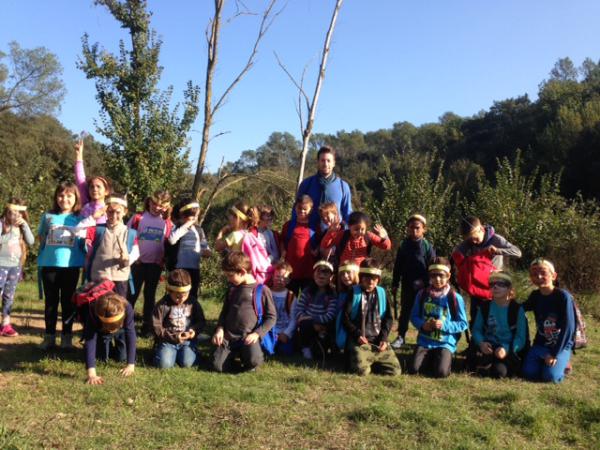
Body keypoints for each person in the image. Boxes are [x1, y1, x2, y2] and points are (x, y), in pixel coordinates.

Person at [38, 182, 94, 349]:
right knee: (51, 303)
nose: (64, 199)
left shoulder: (80, 219)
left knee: (68, 303)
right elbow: (42, 237)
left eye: (69, 196)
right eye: (61, 195)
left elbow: (84, 242)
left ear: (76, 198)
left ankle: (66, 338)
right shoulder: (48, 216)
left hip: (71, 266)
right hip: (49, 265)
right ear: (56, 197)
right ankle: (49, 337)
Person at [212, 251, 276, 373]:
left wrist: (257, 334)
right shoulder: (232, 289)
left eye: (230, 276)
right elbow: (224, 312)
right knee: (217, 366)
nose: (228, 279)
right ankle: (233, 356)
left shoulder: (262, 290)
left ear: (242, 272)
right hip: (229, 337)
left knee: (253, 361)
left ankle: (248, 356)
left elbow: (271, 317)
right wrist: (220, 329)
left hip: (248, 337)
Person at [451, 216, 521, 326]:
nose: (473, 242)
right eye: (470, 239)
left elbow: (517, 252)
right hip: (477, 287)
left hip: (495, 286)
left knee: (496, 320)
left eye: (475, 238)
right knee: (476, 319)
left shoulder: (496, 239)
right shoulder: (469, 242)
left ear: (481, 229)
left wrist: (498, 250)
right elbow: (456, 253)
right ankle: (476, 335)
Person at [409, 257, 468, 378]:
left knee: (441, 373)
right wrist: (422, 325)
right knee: (414, 369)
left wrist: (444, 325)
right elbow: (414, 316)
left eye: (441, 275)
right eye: (433, 275)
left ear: (448, 276)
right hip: (425, 341)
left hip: (445, 342)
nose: (437, 279)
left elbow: (463, 324)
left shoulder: (455, 297)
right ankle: (432, 357)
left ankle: (442, 357)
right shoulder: (422, 294)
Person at [341, 258, 400, 376]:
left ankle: (372, 360)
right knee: (362, 371)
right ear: (361, 277)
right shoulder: (354, 292)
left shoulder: (382, 293)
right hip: (359, 341)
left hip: (378, 341)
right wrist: (357, 334)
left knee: (395, 371)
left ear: (378, 278)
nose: (371, 281)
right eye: (367, 277)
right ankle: (363, 360)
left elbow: (388, 319)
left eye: (374, 277)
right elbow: (345, 318)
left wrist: (384, 339)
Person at [522, 258, 576, 384]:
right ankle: (548, 362)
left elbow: (569, 328)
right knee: (529, 374)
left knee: (550, 377)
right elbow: (520, 308)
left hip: (560, 346)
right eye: (534, 274)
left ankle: (563, 363)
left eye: (543, 273)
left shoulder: (563, 297)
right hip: (541, 344)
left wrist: (554, 354)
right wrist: (502, 300)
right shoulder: (535, 296)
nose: (539, 276)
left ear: (553, 276)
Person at [127, 191, 173, 336]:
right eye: (154, 203)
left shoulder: (167, 222)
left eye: (161, 206)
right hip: (137, 264)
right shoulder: (138, 218)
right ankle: (125, 324)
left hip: (155, 265)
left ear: (166, 207)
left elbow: (168, 243)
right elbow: (127, 236)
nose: (156, 207)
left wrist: (164, 259)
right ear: (149, 201)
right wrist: (134, 257)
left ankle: (147, 326)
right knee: (131, 294)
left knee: (150, 295)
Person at [469, 271, 528, 378]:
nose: (495, 287)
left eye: (501, 284)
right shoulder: (485, 307)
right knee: (471, 366)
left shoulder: (517, 309)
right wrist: (481, 343)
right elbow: (476, 329)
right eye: (492, 284)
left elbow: (521, 337)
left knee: (499, 373)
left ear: (509, 288)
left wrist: (506, 349)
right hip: (488, 346)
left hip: (506, 347)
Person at [390, 214, 436, 349]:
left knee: (424, 312)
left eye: (417, 228)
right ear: (407, 229)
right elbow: (398, 266)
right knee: (405, 311)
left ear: (424, 229)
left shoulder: (427, 246)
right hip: (407, 285)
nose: (414, 231)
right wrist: (395, 283)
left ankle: (424, 337)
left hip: (424, 287)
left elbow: (432, 268)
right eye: (411, 228)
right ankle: (401, 336)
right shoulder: (404, 245)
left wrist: (425, 282)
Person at [85, 195, 139, 298]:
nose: (114, 216)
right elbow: (79, 232)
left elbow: (136, 253)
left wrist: (127, 259)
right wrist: (93, 217)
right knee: (98, 306)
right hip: (99, 278)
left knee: (117, 306)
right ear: (105, 211)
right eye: (110, 212)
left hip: (120, 279)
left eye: (118, 212)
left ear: (125, 212)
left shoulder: (131, 233)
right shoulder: (96, 230)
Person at [153, 269, 206, 369]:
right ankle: (163, 353)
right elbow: (156, 327)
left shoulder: (192, 302)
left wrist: (193, 331)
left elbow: (201, 321)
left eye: (185, 295)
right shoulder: (163, 304)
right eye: (177, 296)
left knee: (188, 363)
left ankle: (184, 354)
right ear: (169, 291)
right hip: (168, 341)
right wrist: (173, 337)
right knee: (164, 365)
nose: (181, 299)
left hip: (187, 341)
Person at [294, 145, 352, 230]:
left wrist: (345, 230)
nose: (325, 164)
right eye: (322, 160)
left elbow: (347, 214)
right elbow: (296, 210)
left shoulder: (343, 186)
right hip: (309, 233)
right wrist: (291, 232)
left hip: (334, 234)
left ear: (334, 163)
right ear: (318, 162)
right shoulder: (307, 184)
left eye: (328, 161)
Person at [83, 292, 136, 385]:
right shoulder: (93, 310)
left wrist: (130, 365)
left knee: (122, 358)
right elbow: (90, 340)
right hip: (102, 330)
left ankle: (117, 340)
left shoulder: (127, 307)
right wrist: (91, 373)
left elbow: (130, 334)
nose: (112, 331)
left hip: (121, 330)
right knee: (101, 357)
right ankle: (106, 343)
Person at [0, 199, 34, 337]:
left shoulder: (21, 226)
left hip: (15, 266)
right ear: (7, 212)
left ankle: (5, 324)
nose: (15, 216)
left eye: (18, 213)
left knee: (9, 295)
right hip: (1, 265)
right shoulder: (1, 223)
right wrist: (9, 232)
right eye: (12, 213)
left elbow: (31, 241)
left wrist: (25, 225)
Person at [166, 198, 211, 299]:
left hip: (194, 269)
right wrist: (186, 225)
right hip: (179, 269)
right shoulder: (178, 228)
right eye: (191, 216)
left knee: (192, 296)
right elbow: (172, 240)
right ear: (182, 215)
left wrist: (203, 252)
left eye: (196, 216)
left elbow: (207, 250)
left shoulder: (199, 230)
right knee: (176, 295)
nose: (194, 219)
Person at [295, 260, 337, 360]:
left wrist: (312, 320)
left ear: (331, 277)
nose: (321, 276)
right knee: (304, 324)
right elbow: (299, 310)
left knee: (319, 354)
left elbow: (330, 315)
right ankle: (305, 348)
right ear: (313, 275)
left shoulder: (332, 295)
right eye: (318, 273)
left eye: (325, 274)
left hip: (323, 326)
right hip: (307, 325)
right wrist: (310, 322)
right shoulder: (307, 291)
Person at [320, 211, 391, 268]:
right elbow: (325, 245)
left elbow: (387, 246)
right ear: (349, 226)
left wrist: (385, 237)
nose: (359, 232)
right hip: (344, 273)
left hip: (360, 273)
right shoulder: (343, 235)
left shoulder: (368, 236)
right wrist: (330, 232)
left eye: (362, 229)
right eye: (356, 229)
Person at [280, 195, 319, 295]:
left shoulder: (314, 227)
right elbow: (282, 241)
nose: (302, 211)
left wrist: (317, 250)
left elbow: (321, 243)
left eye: (305, 209)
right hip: (291, 271)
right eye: (299, 208)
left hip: (308, 271)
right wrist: (283, 251)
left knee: (307, 298)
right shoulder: (289, 225)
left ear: (311, 210)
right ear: (295, 207)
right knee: (290, 297)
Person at [74, 138, 112, 224]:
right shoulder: (85, 204)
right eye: (92, 187)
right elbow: (80, 179)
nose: (94, 189)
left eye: (98, 186)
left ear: (106, 191)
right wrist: (79, 155)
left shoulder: (110, 210)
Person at [269, 260, 297, 355]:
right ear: (273, 277)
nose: (280, 280)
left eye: (284, 278)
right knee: (267, 349)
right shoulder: (266, 293)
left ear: (288, 280)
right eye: (277, 276)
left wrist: (286, 333)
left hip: (284, 331)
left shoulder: (291, 296)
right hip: (270, 330)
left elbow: (293, 319)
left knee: (286, 351)